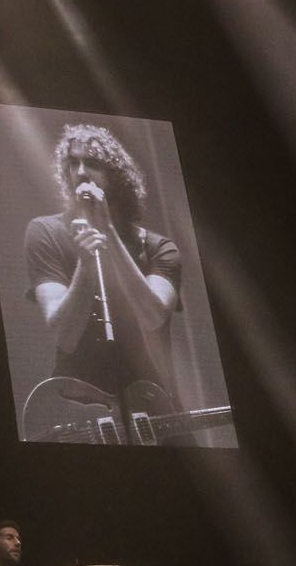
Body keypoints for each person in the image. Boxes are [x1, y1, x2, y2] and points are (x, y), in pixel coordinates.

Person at [25, 123, 182, 407]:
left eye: (93, 163)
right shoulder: (44, 232)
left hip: (149, 405)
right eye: (74, 163)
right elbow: (64, 334)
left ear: (117, 176)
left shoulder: (159, 248)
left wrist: (106, 229)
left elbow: (153, 317)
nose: (81, 172)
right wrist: (86, 263)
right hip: (76, 407)